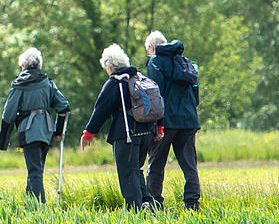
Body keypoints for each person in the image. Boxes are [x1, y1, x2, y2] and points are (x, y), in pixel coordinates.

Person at [79, 44, 154, 211]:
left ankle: (135, 211)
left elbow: (101, 109)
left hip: (126, 133)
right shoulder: (139, 79)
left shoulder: (115, 82)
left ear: (109, 66)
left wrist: (88, 133)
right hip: (147, 132)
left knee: (127, 173)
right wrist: (159, 129)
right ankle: (147, 204)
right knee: (136, 170)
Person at [0, 48, 70, 204]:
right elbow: (63, 106)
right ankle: (29, 204)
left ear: (23, 65)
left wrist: (3, 143)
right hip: (47, 130)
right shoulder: (48, 83)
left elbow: (8, 114)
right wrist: (57, 131)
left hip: (28, 131)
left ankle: (38, 208)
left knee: (34, 171)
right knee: (37, 169)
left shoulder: (19, 85)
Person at [144, 31, 201, 210]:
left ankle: (154, 204)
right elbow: (196, 95)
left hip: (165, 122)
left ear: (152, 48)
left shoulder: (155, 62)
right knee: (189, 165)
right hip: (189, 121)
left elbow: (155, 95)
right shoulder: (186, 63)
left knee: (156, 164)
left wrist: (155, 123)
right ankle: (192, 204)